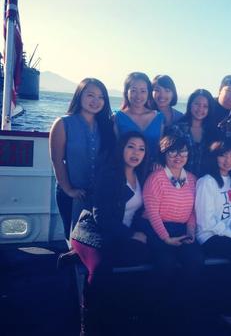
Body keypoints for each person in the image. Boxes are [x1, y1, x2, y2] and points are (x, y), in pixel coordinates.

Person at [70, 131, 151, 334]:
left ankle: (121, 313)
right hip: (94, 232)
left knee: (145, 254)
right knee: (101, 267)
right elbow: (102, 217)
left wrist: (139, 231)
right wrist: (132, 235)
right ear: (121, 148)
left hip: (118, 235)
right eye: (131, 146)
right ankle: (89, 322)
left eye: (141, 149)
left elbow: (141, 212)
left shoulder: (142, 175)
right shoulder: (109, 174)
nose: (136, 153)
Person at [142, 133, 204, 316]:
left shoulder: (192, 179)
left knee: (196, 261)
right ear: (164, 154)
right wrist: (166, 238)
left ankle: (177, 305)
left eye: (183, 152)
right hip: (156, 229)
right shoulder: (155, 178)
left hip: (182, 229)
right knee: (165, 263)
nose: (178, 156)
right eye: (173, 152)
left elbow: (193, 210)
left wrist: (191, 231)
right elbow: (152, 212)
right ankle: (153, 308)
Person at [195, 140, 231, 326]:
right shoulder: (206, 182)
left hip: (229, 233)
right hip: (209, 236)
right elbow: (205, 221)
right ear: (214, 157)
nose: (228, 160)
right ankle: (227, 308)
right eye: (223, 155)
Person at [50, 78, 115, 241]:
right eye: (90, 95)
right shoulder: (63, 123)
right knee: (74, 240)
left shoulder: (108, 125)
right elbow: (57, 161)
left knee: (96, 241)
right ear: (79, 95)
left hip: (99, 196)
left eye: (101, 97)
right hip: (73, 194)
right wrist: (69, 190)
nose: (96, 101)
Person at [114, 72, 164, 164]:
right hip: (126, 170)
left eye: (143, 91)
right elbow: (116, 148)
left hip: (152, 170)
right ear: (126, 92)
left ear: (148, 93)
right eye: (133, 90)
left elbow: (160, 149)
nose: (138, 96)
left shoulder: (158, 117)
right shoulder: (118, 117)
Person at [167, 89, 218, 177]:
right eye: (197, 104)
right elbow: (168, 155)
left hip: (205, 183)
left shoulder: (214, 131)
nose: (200, 109)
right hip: (181, 181)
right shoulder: (177, 129)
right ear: (190, 104)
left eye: (205, 106)